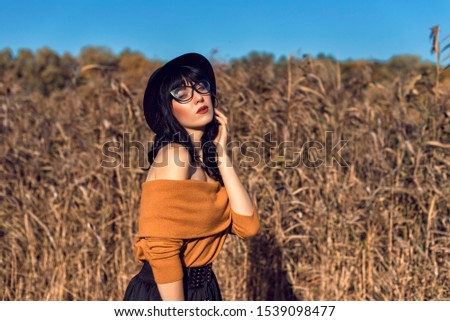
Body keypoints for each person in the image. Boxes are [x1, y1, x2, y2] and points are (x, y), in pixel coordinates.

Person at [123, 53, 260, 301]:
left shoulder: (208, 164)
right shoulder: (176, 156)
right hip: (167, 293)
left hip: (204, 289)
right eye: (182, 93)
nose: (198, 96)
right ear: (169, 109)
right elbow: (162, 250)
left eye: (200, 86)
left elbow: (248, 227)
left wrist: (221, 155)